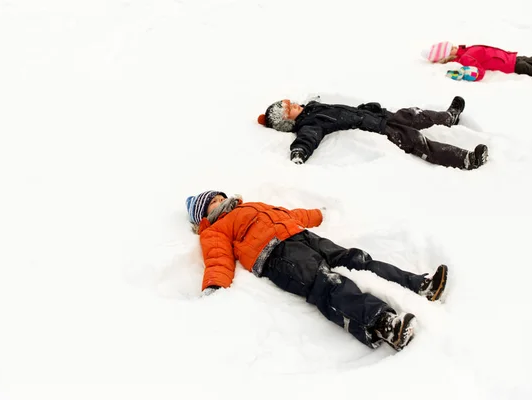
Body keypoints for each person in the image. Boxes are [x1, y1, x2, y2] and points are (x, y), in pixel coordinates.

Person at [186, 190, 450, 351]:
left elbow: (288, 214)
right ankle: (384, 324)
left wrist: (316, 215)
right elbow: (217, 257)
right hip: (274, 253)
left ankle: (419, 285)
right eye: (211, 202)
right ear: (204, 216)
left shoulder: (250, 205)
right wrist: (214, 286)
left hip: (301, 235)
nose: (219, 200)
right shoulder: (215, 229)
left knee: (356, 258)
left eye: (218, 196)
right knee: (325, 282)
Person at [257, 96, 489, 170]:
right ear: (288, 123)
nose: (296, 106)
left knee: (417, 115)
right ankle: (466, 159)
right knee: (419, 142)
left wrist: (366, 108)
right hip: (380, 130)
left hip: (383, 116)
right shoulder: (310, 123)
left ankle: (448, 117)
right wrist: (299, 151)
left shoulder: (314, 108)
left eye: (291, 104)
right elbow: (309, 139)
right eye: (290, 110)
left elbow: (343, 111)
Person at [422, 41, 532, 82]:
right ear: (446, 55)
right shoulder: (465, 58)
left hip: (512, 57)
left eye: (451, 45)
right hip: (513, 65)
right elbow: (479, 73)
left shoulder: (464, 51)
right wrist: (465, 74)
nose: (453, 46)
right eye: (449, 48)